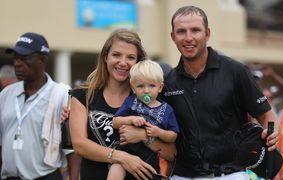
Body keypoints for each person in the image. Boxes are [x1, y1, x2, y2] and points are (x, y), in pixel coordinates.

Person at [162, 6, 279, 179]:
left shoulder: (236, 71)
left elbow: (266, 115)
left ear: (207, 34)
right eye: (181, 31)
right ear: (173, 37)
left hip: (231, 174)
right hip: (183, 176)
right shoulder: (168, 82)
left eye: (195, 30)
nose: (188, 38)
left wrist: (272, 133)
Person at [69, 28, 176, 180]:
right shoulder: (82, 95)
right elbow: (80, 145)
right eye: (116, 55)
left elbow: (171, 154)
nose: (123, 62)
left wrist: (144, 136)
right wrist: (122, 158)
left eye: (131, 57)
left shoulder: (150, 97)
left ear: (138, 62)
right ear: (106, 57)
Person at [0, 32, 78, 179]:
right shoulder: (6, 94)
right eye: (16, 58)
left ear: (42, 59)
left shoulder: (61, 94)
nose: (17, 63)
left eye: (25, 58)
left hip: (45, 176)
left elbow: (71, 147)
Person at [107, 59, 179, 180]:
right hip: (127, 150)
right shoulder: (130, 102)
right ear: (133, 88)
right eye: (140, 86)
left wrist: (159, 132)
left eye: (152, 86)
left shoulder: (167, 110)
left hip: (151, 155)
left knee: (150, 174)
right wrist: (130, 119)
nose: (146, 90)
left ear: (160, 87)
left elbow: (173, 135)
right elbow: (115, 122)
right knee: (116, 168)